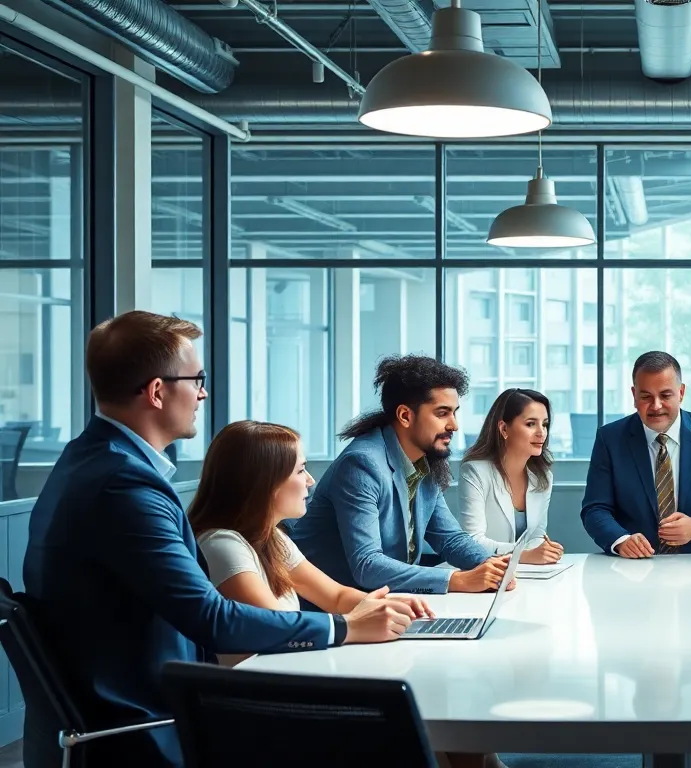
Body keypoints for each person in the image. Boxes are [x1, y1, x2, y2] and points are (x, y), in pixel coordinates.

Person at [22, 311, 411, 768]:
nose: (203, 392)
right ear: (157, 392)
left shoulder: (90, 460)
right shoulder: (123, 485)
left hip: (129, 714)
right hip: (145, 730)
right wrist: (343, 628)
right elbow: (211, 619)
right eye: (197, 379)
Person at [188, 421, 436, 667]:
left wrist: (390, 606)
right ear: (265, 482)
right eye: (300, 470)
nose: (310, 481)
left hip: (286, 672)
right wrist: (352, 625)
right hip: (256, 686)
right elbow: (277, 627)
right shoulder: (222, 544)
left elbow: (336, 597)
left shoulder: (273, 538)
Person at [289, 355, 513, 594]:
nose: (454, 425)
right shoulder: (362, 464)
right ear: (405, 416)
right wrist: (457, 580)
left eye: (454, 413)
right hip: (330, 606)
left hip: (383, 601)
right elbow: (367, 565)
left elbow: (449, 538)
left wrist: (494, 567)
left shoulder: (424, 461)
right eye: (442, 413)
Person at [581, 351, 691, 557]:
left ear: (681, 393)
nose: (656, 406)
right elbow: (595, 508)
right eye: (646, 396)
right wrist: (621, 540)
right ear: (634, 395)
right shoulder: (610, 439)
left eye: (665, 395)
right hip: (634, 565)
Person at [457, 388, 564, 563]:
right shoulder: (475, 471)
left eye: (544, 424)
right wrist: (523, 555)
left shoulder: (543, 477)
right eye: (531, 424)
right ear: (504, 428)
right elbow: (473, 541)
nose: (541, 432)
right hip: (482, 570)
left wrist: (545, 551)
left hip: (524, 573)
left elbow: (536, 535)